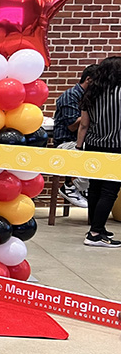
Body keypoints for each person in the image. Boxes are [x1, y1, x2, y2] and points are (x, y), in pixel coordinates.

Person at [76, 56, 121, 248]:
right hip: (116, 146)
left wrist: (78, 148)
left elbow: (84, 125)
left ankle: (97, 228)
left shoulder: (91, 93)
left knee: (94, 188)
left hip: (93, 146)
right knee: (110, 191)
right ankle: (95, 233)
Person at [53, 64, 97, 207]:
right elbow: (72, 125)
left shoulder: (87, 97)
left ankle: (81, 187)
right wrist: (90, 114)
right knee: (91, 153)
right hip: (65, 143)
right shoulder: (70, 95)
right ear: (89, 80)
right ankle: (72, 186)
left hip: (79, 142)